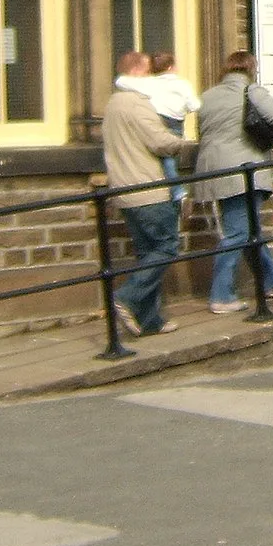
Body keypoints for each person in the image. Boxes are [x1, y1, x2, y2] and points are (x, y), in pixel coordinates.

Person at [193, 50, 273, 314]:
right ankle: (221, 295)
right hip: (242, 171)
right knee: (237, 233)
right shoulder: (251, 90)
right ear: (250, 69)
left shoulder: (207, 97)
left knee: (249, 229)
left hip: (212, 171)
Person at [102, 51, 188, 336]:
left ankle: (150, 320)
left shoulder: (113, 104)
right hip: (148, 190)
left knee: (146, 253)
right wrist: (180, 141)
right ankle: (126, 297)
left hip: (125, 192)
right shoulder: (136, 104)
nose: (152, 77)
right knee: (166, 247)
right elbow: (159, 142)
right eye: (149, 71)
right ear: (138, 71)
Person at [118, 52, 201, 207]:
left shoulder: (150, 83)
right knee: (170, 157)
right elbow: (195, 105)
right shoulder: (181, 84)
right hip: (176, 122)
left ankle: (172, 191)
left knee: (164, 159)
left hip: (157, 120)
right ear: (171, 67)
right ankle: (176, 191)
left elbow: (121, 81)